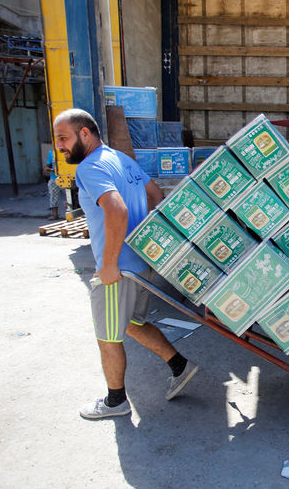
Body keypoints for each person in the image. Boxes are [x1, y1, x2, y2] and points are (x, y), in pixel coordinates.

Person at [53, 108, 199, 419]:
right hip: (139, 261)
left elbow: (116, 211)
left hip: (118, 268)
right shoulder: (121, 160)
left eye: (64, 139)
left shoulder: (89, 169)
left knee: (107, 336)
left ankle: (116, 401)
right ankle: (180, 365)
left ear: (85, 134)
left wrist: (108, 264)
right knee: (132, 324)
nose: (60, 147)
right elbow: (155, 194)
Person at [43, 149, 62, 220]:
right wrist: (47, 168)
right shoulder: (51, 152)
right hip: (54, 178)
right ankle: (55, 215)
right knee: (53, 196)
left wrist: (51, 170)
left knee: (71, 198)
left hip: (66, 177)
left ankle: (73, 214)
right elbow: (48, 164)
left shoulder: (67, 150)